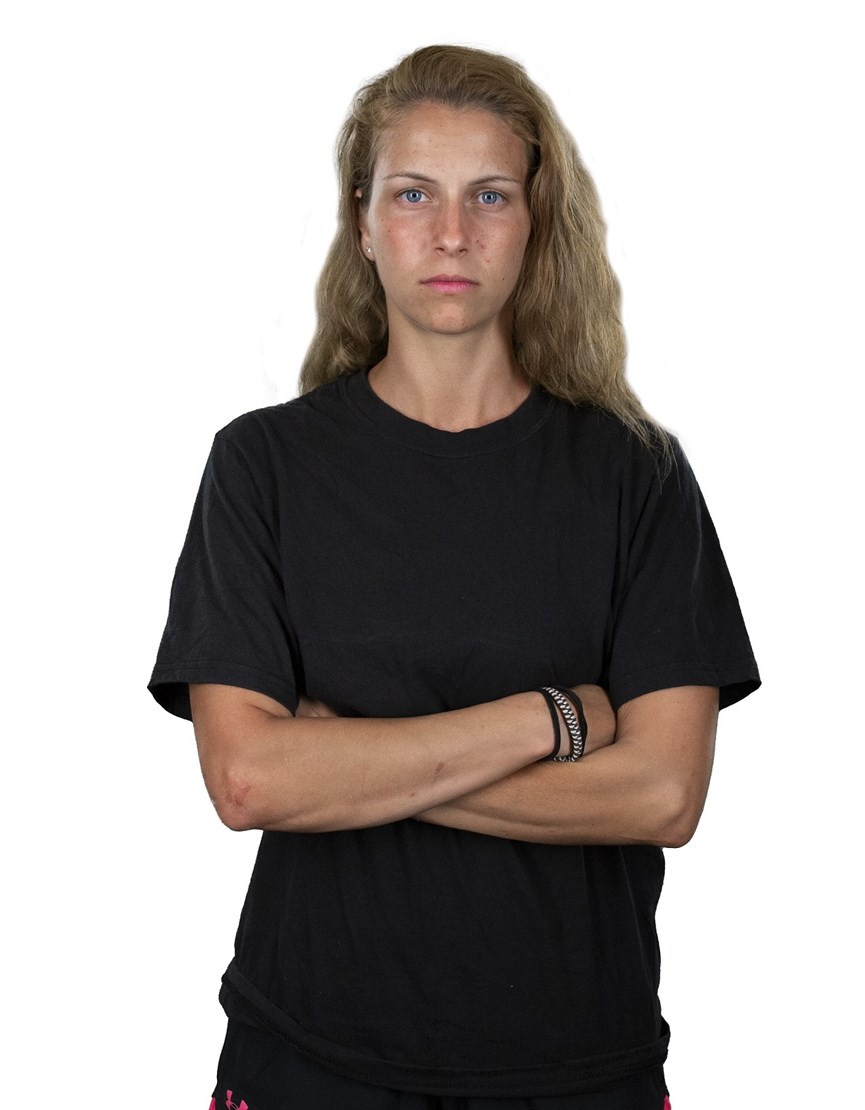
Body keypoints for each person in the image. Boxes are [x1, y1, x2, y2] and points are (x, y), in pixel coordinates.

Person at [149, 44, 759, 1110]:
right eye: (411, 193)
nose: (449, 233)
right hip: (311, 1059)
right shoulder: (263, 466)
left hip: (579, 1065)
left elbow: (663, 794)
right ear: (362, 221)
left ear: (534, 221)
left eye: (489, 195)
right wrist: (551, 717)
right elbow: (248, 782)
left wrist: (349, 766)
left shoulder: (635, 475)